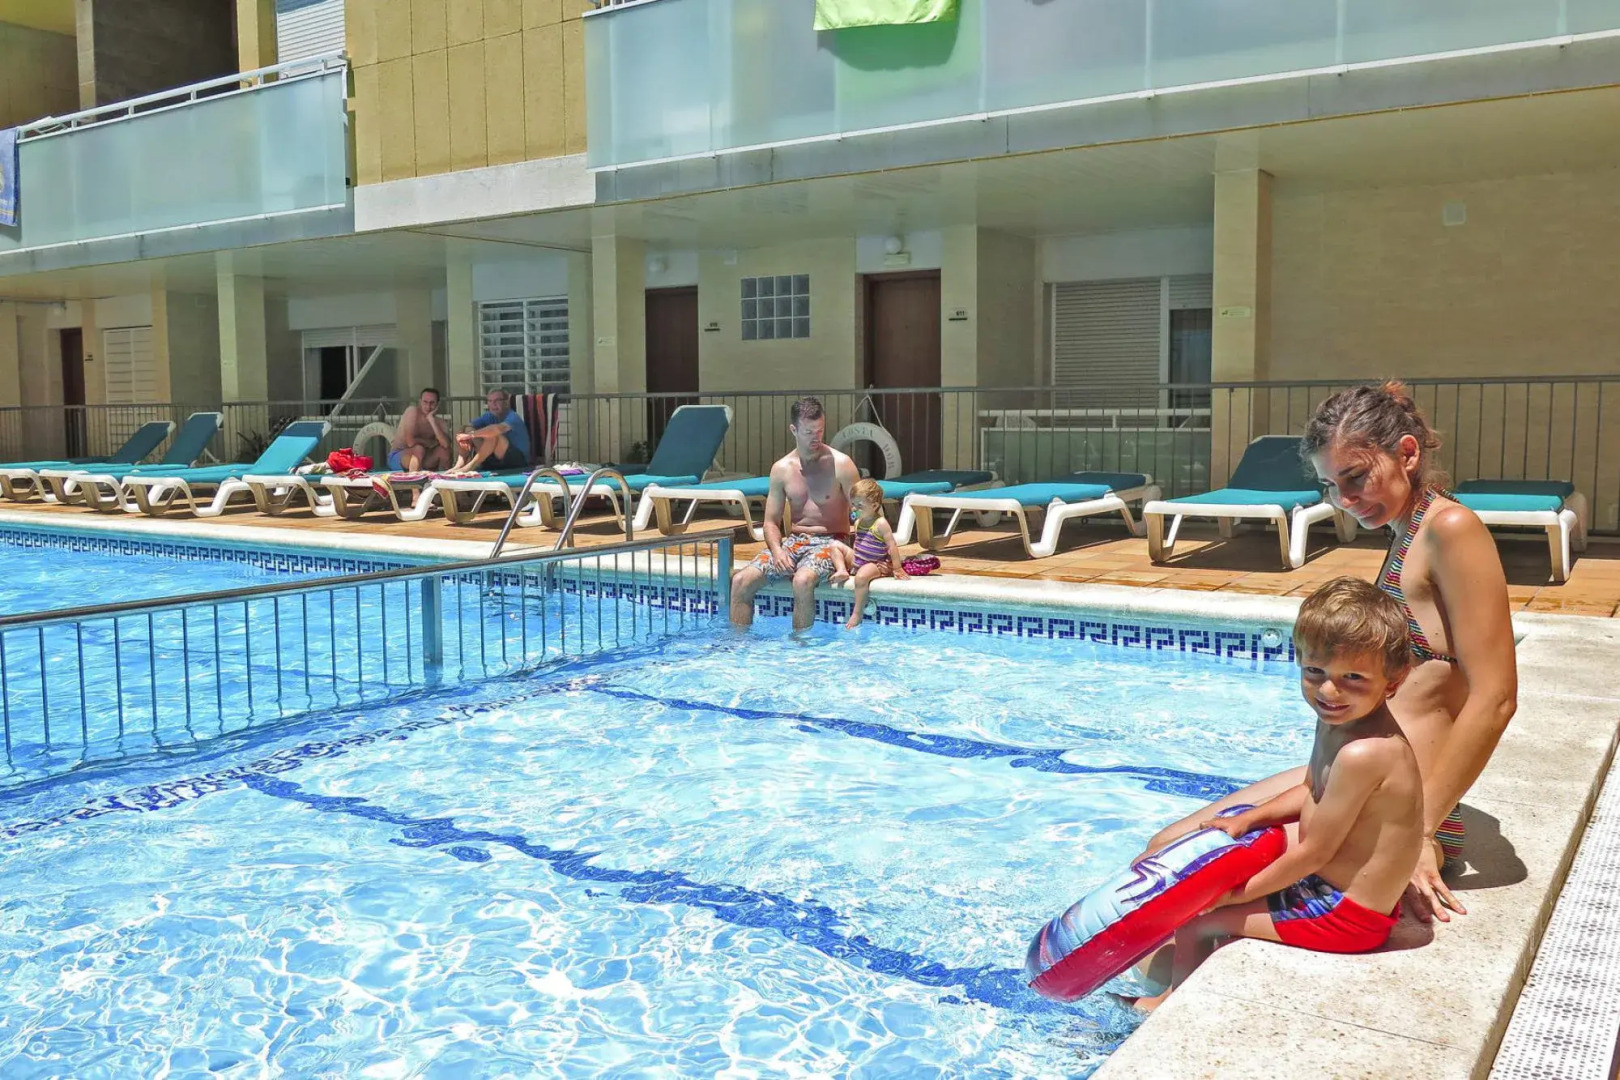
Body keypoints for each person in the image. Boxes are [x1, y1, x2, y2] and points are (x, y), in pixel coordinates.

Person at [1139, 381, 1517, 924]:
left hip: (1400, 810)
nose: (1344, 499)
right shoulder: (1407, 531)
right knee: (1164, 849)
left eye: (1356, 477)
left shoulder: (1450, 529)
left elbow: (1496, 697)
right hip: (1361, 781)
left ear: (1407, 454)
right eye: (1330, 485)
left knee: (1181, 880)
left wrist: (1420, 832)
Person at [1128, 578, 1424, 1011]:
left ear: (1394, 681)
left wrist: (1235, 896)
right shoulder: (1340, 721)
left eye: (1353, 678)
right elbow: (1309, 787)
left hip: (1346, 915)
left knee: (1198, 921)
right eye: (1315, 672)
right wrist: (1247, 819)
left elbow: (1314, 854)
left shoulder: (1366, 753)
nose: (1329, 691)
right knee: (1212, 877)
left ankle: (1166, 1006)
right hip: (1325, 889)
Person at [729, 397, 859, 631]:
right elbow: (770, 522)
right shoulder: (781, 469)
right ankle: (739, 649)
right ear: (793, 429)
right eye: (809, 431)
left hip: (832, 542)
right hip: (794, 542)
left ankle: (801, 650)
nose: (816, 437)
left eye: (820, 430)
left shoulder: (841, 464)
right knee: (740, 581)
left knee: (802, 580)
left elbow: (863, 513)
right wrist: (777, 552)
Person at [839, 477, 908, 629]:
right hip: (859, 561)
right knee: (835, 546)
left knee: (862, 577)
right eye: (853, 505)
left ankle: (857, 613)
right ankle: (841, 571)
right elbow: (859, 544)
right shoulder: (858, 522)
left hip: (877, 563)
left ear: (875, 505)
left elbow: (892, 546)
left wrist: (897, 568)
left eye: (859, 505)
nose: (855, 509)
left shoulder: (881, 524)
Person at [454, 388, 530, 473]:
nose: (493, 404)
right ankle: (460, 464)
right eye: (490, 401)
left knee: (493, 435)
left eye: (497, 401)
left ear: (506, 402)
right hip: (494, 460)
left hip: (517, 462)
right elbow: (466, 426)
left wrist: (471, 435)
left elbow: (496, 429)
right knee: (467, 429)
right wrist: (463, 436)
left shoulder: (513, 417)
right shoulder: (489, 416)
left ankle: (470, 466)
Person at [388, 387, 453, 473]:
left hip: (422, 457)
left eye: (432, 403)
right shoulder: (412, 411)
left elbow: (446, 445)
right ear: (420, 402)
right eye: (425, 402)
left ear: (438, 404)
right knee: (419, 449)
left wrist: (431, 420)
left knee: (445, 451)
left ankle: (442, 482)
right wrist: (429, 443)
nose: (428, 406)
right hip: (399, 457)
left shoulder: (440, 422)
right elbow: (410, 442)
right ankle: (415, 484)